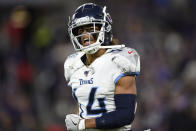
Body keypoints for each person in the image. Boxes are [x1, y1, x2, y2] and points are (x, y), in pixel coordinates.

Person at [64, 3, 140, 131]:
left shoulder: (119, 60)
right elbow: (85, 104)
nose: (84, 35)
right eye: (80, 30)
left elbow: (125, 114)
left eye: (90, 28)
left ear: (105, 29)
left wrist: (83, 124)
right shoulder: (72, 64)